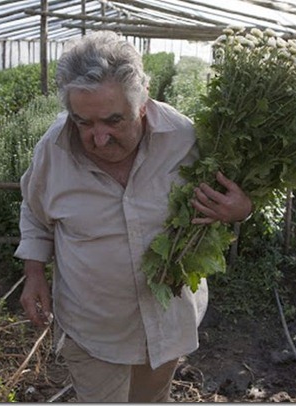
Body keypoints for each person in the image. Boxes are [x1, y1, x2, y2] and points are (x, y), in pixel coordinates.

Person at [14, 30, 252, 402]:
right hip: (93, 328)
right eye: (84, 123)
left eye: (114, 121)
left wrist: (241, 210)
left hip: (168, 319)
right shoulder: (53, 151)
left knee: (152, 399)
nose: (100, 138)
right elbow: (34, 209)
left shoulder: (186, 139)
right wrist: (33, 274)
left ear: (143, 101)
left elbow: (237, 197)